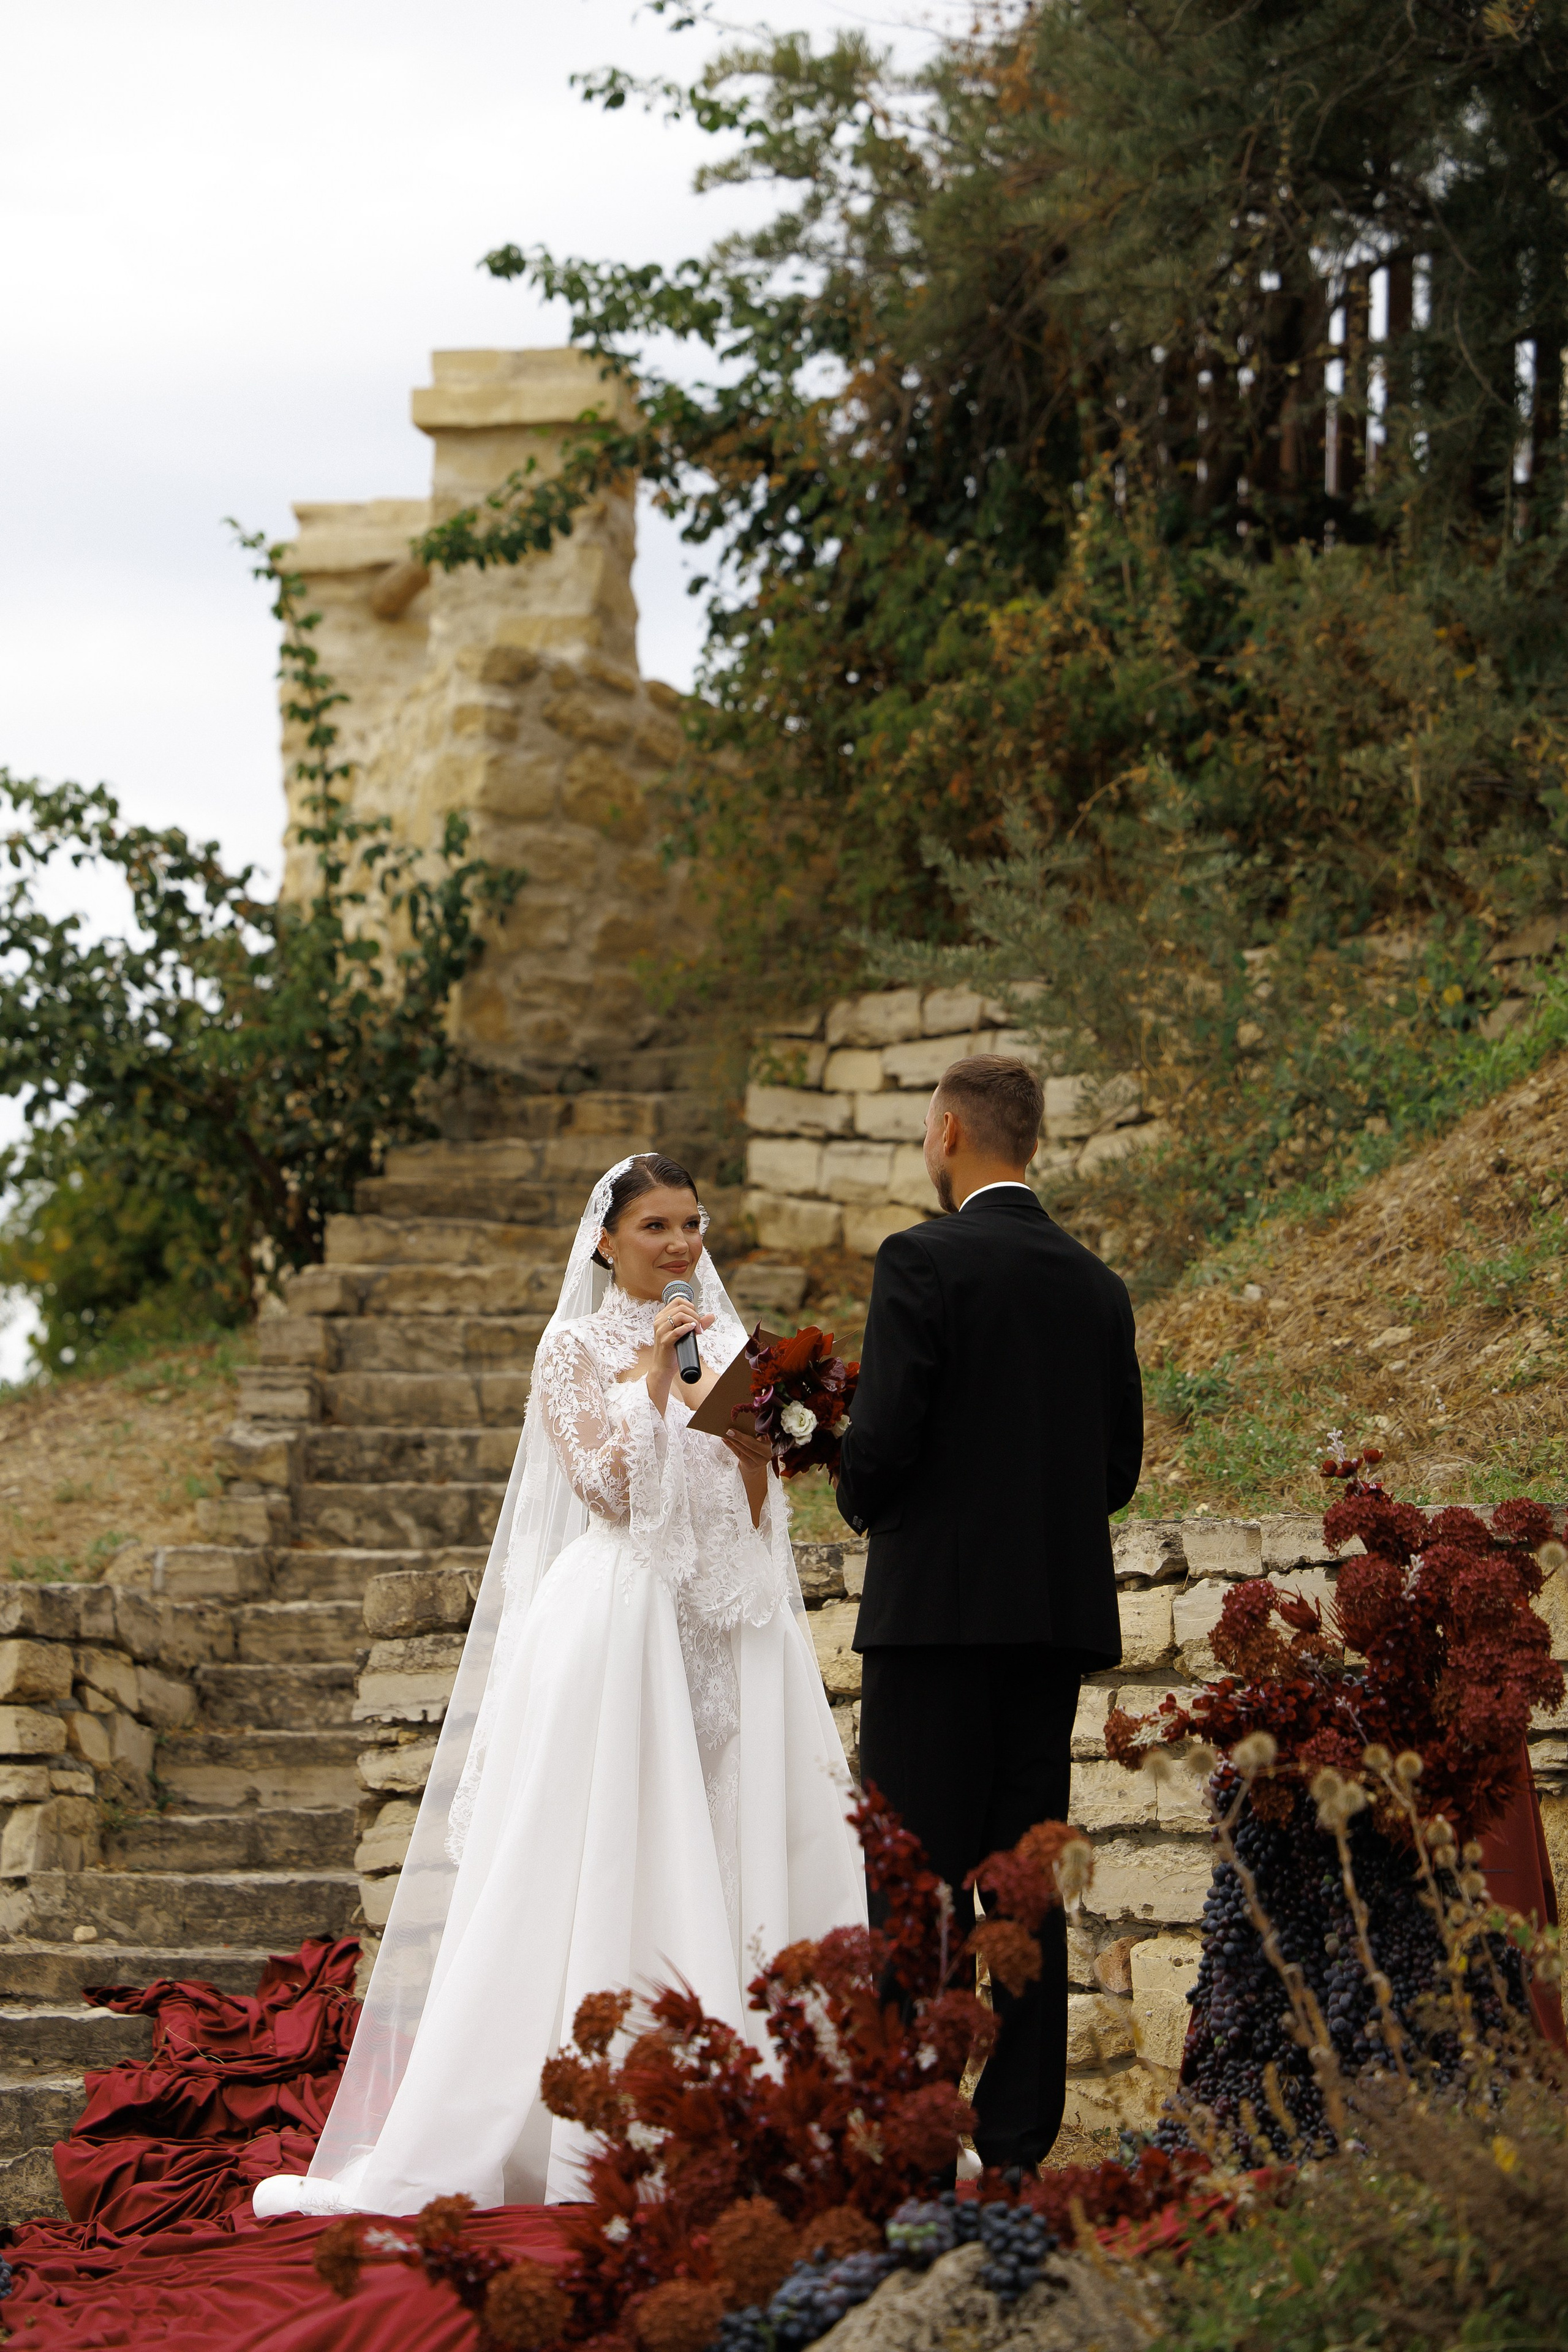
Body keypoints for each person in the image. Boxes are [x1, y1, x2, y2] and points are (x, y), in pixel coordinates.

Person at [256, 1153, 865, 2218]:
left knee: (739, 1837)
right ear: (605, 1241)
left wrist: (768, 1440)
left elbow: (757, 1510)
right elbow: (608, 1488)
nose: (681, 1246)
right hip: (620, 1624)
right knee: (617, 1846)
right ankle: (602, 2122)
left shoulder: (730, 1341)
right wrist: (655, 1383)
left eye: (693, 1224)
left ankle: (753, 2101)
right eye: (658, 1227)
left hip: (727, 1624)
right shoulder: (573, 1349)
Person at [836, 1056, 1142, 2175]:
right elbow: (1118, 1468)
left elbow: (882, 1442)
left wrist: (853, 1484)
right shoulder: (1097, 1286)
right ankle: (1015, 2148)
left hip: (932, 1628)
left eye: (927, 1132)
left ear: (950, 1130)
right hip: (1049, 1628)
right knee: (1023, 1886)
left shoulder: (922, 1259)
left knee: (911, 1885)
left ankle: (915, 2144)